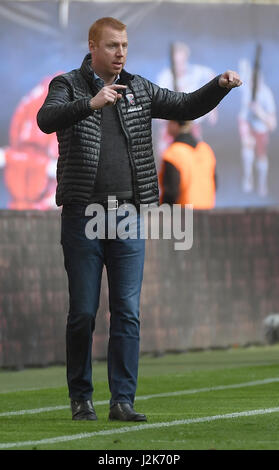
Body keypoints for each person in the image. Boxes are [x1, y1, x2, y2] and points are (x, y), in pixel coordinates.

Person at [37, 17, 242, 422]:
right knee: (82, 311)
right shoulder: (67, 85)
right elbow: (46, 120)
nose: (120, 53)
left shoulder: (139, 88)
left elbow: (185, 106)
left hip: (128, 215)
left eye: (125, 45)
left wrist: (218, 86)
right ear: (93, 46)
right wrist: (90, 104)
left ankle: (122, 401)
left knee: (127, 311)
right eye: (112, 46)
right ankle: (81, 396)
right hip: (84, 214)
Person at [238, 58, 276, 196]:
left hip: (261, 127)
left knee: (261, 154)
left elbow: (272, 124)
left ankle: (261, 184)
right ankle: (248, 178)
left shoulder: (266, 94)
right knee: (247, 145)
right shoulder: (247, 89)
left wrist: (260, 113)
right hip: (247, 122)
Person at [159, 120, 217, 209]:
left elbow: (171, 193)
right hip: (207, 216)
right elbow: (215, 184)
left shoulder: (173, 153)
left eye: (169, 121)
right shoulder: (205, 150)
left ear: (175, 123)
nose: (167, 125)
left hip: (184, 218)